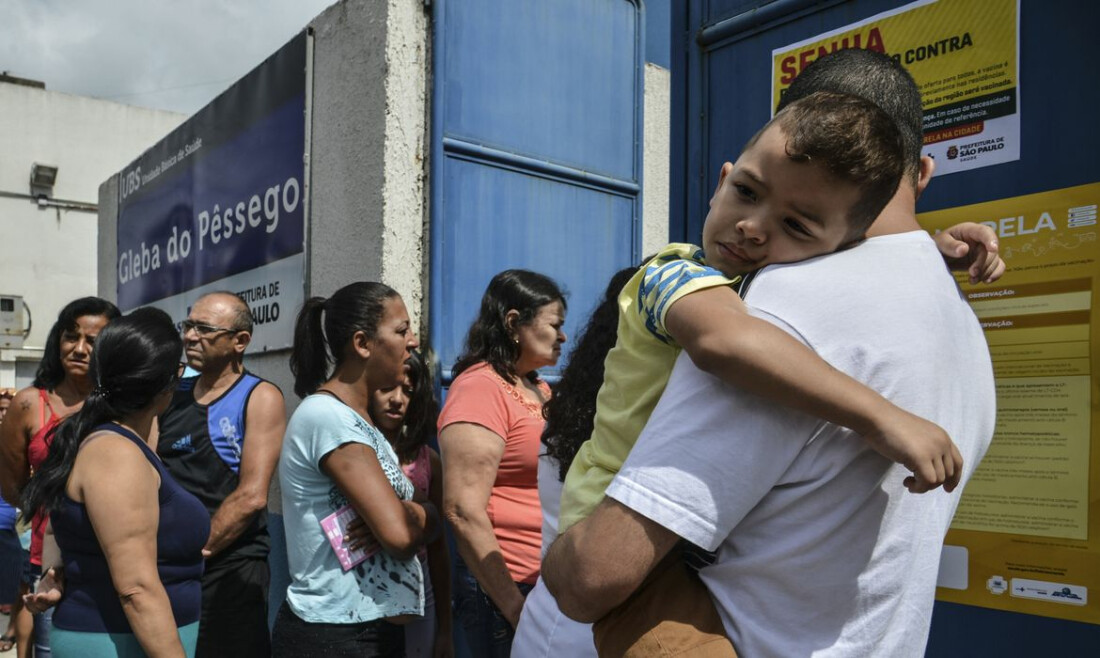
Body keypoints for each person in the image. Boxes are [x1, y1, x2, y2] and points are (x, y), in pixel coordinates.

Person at [544, 48, 998, 657]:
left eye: (799, 226)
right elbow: (726, 340)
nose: (755, 230)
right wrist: (880, 415)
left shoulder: (785, 294)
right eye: (748, 192)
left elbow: (592, 577)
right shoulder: (682, 274)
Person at [20, 307, 210, 657]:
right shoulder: (115, 454)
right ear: (165, 384)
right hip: (119, 642)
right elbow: (136, 588)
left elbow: (57, 526)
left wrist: (55, 571)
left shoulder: (114, 439)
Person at [274, 282, 439, 657]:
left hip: (368, 630)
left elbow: (423, 516)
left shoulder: (362, 421)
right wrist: (411, 517)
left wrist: (414, 513)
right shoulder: (328, 418)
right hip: (335, 636)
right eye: (401, 331)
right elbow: (399, 537)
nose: (412, 342)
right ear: (362, 343)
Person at [438, 269, 566, 657]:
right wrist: (513, 605)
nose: (563, 336)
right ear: (514, 322)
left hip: (543, 581)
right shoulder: (480, 388)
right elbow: (462, 509)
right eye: (555, 325)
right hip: (504, 586)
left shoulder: (538, 387)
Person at [512, 265, 635, 658]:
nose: (562, 335)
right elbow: (463, 507)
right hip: (584, 626)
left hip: (558, 617)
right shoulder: (618, 418)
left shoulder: (565, 402)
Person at [155, 291, 285, 658]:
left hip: (229, 570)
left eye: (204, 329)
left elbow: (252, 496)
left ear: (240, 341)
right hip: (169, 567)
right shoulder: (173, 392)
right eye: (188, 325)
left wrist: (195, 552)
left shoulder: (258, 397)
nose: (189, 336)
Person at [0, 297, 120, 658]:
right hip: (48, 561)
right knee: (51, 650)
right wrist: (55, 513)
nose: (80, 349)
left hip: (113, 556)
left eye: (94, 341)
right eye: (71, 337)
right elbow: (11, 482)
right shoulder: (28, 404)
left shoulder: (122, 404)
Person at [366, 349, 453, 658]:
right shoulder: (355, 453)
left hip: (420, 593)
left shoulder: (428, 462)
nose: (397, 399)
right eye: (387, 387)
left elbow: (439, 547)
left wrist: (445, 629)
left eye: (408, 391)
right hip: (365, 594)